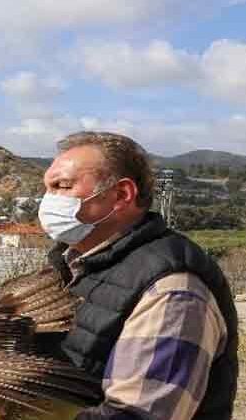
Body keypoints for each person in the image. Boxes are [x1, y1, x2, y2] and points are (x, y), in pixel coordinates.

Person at [37, 131, 238, 419]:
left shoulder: (173, 291)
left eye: (62, 186)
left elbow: (138, 413)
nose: (48, 200)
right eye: (47, 188)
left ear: (121, 195)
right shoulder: (70, 265)